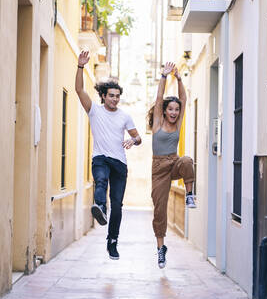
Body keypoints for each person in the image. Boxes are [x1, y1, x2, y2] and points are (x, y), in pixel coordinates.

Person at [75, 50, 142, 260]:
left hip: (120, 164)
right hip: (101, 158)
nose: (115, 99)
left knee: (118, 204)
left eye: (117, 96)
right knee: (100, 180)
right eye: (111, 95)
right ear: (103, 96)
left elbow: (138, 137)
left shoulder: (125, 116)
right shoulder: (94, 110)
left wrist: (133, 140)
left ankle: (112, 241)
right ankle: (100, 207)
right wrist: (80, 67)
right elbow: (78, 90)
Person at [147, 62, 196, 269]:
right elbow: (159, 98)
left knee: (187, 160)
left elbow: (184, 98)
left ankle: (190, 195)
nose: (175, 112)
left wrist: (179, 78)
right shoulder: (158, 122)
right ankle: (161, 249)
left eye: (177, 110)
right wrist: (164, 77)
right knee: (159, 209)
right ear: (164, 111)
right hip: (159, 169)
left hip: (173, 162)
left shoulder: (178, 123)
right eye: (171, 109)